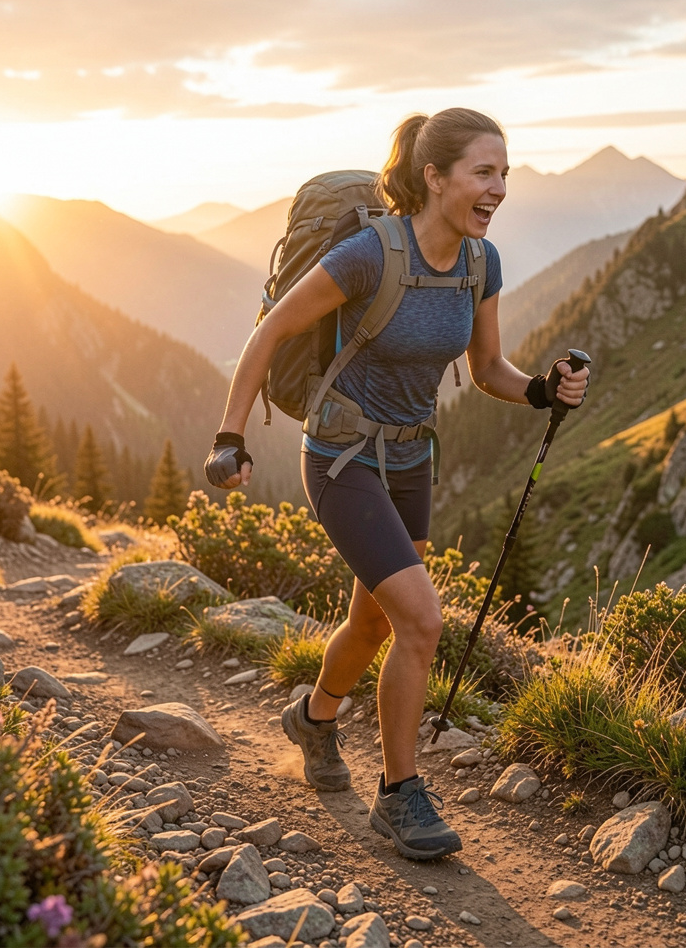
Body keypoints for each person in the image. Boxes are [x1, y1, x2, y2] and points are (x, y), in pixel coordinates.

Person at [204, 108, 590, 861]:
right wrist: (230, 436)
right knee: (421, 620)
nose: (500, 189)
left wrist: (543, 389)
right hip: (343, 458)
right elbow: (270, 332)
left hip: (413, 460)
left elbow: (486, 371)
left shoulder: (483, 263)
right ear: (433, 177)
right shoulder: (367, 257)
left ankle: (314, 719)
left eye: (504, 173)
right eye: (484, 173)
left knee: (379, 622)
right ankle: (399, 794)